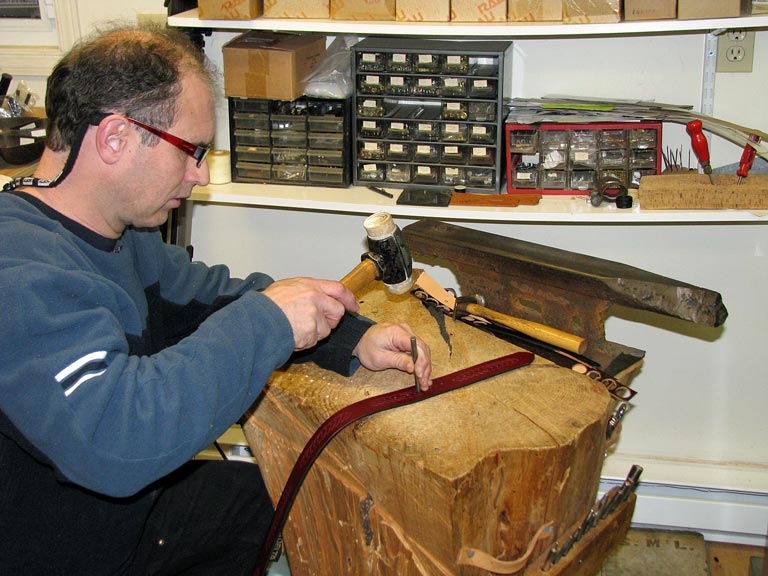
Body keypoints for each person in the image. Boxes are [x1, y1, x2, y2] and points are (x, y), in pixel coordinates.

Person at [0, 24, 432, 575]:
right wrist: (266, 324)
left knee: (275, 494)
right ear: (114, 138)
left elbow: (214, 298)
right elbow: (117, 436)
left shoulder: (124, 236)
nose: (200, 175)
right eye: (191, 151)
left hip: (128, 518)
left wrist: (352, 336)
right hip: (59, 550)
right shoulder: (17, 275)